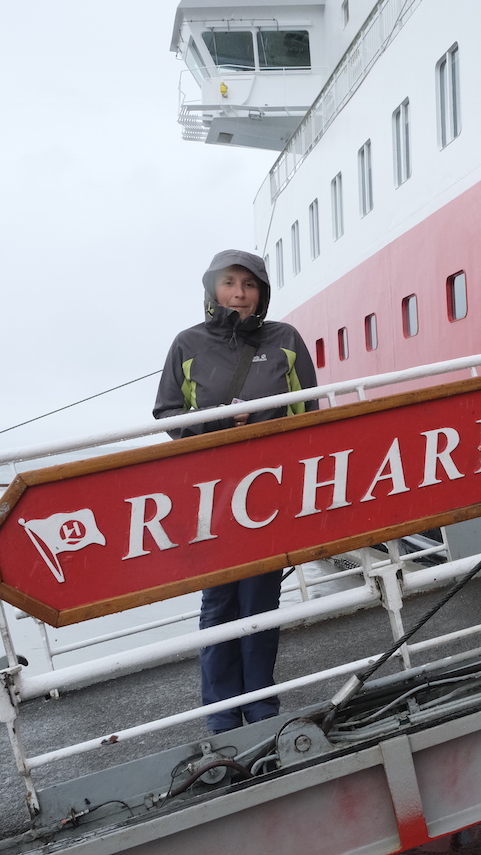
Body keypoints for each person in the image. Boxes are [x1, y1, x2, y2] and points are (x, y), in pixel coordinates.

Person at [153, 249, 318, 733]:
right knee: (219, 603)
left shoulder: (285, 339)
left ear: (262, 292)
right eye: (229, 283)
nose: (239, 294)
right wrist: (222, 422)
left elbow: (308, 414)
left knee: (262, 601)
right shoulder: (188, 344)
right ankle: (223, 714)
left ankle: (262, 706)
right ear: (212, 289)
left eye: (249, 285)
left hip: (269, 491)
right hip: (210, 495)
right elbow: (167, 413)